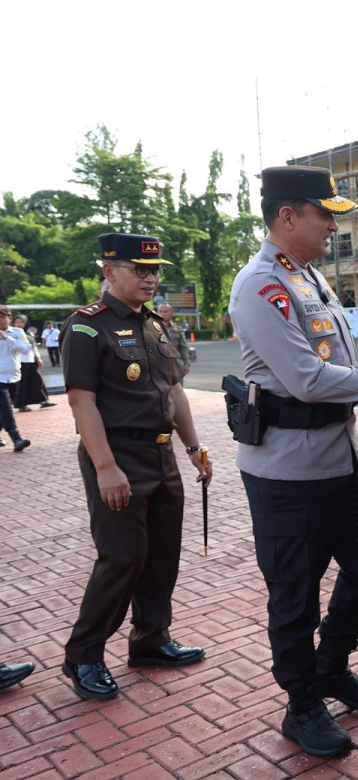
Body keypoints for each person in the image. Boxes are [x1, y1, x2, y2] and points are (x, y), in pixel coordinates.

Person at [228, 165, 358, 758]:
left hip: (342, 458)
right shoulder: (261, 285)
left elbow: (335, 369)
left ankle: (330, 665)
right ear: (287, 216)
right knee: (294, 593)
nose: (333, 226)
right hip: (287, 472)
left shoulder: (309, 277)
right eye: (325, 214)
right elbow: (305, 379)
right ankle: (301, 705)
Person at [59, 232, 213, 701]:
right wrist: (106, 467)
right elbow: (81, 401)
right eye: (139, 270)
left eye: (155, 271)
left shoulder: (154, 326)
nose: (150, 279)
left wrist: (193, 447)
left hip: (162, 455)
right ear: (109, 271)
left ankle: (150, 640)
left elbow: (175, 391)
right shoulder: (87, 327)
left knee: (162, 553)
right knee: (122, 557)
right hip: (117, 455)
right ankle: (83, 654)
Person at [0, 305, 31, 451]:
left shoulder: (18, 332)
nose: (0, 320)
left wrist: (7, 339)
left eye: (2, 317)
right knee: (6, 409)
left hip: (13, 377)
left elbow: (26, 349)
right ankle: (16, 439)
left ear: (9, 318)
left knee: (4, 409)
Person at [11, 314, 54, 411]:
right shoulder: (13, 334)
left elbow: (34, 347)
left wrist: (38, 358)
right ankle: (21, 405)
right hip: (19, 362)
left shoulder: (29, 334)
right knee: (22, 384)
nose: (19, 324)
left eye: (21, 322)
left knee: (38, 381)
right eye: (16, 322)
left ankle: (43, 401)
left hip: (31, 361)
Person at [156, 303, 192, 382]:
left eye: (165, 312)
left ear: (172, 313)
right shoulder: (151, 326)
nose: (162, 314)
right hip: (158, 365)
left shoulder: (177, 328)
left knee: (178, 388)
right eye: (160, 311)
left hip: (176, 365)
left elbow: (183, 347)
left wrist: (186, 363)